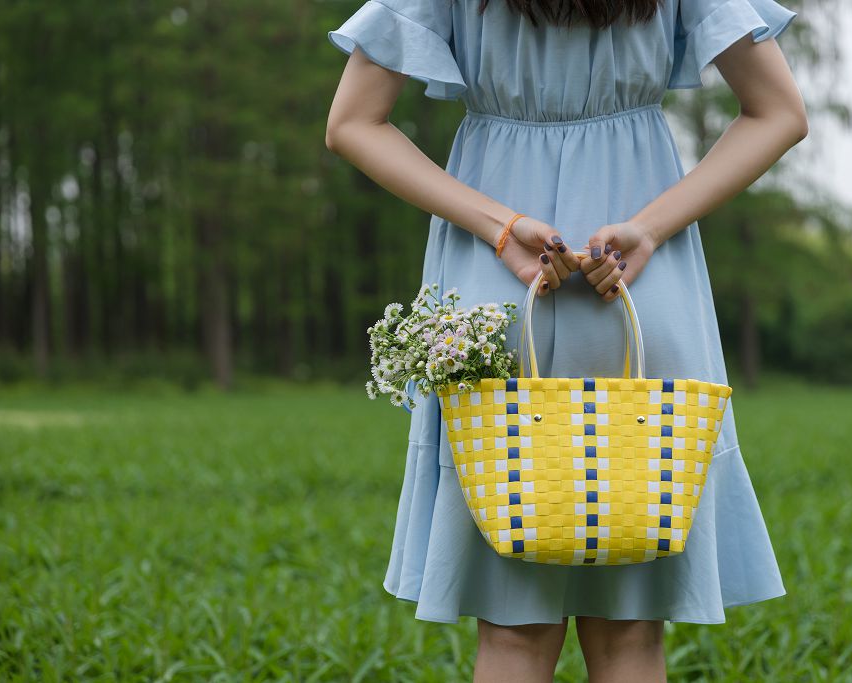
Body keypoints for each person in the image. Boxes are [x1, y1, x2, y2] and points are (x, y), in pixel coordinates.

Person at [325, 0, 808, 679]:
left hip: (498, 282)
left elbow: (351, 124)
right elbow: (781, 113)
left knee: (513, 629)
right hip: (639, 273)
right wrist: (650, 227)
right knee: (631, 631)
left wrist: (500, 225)